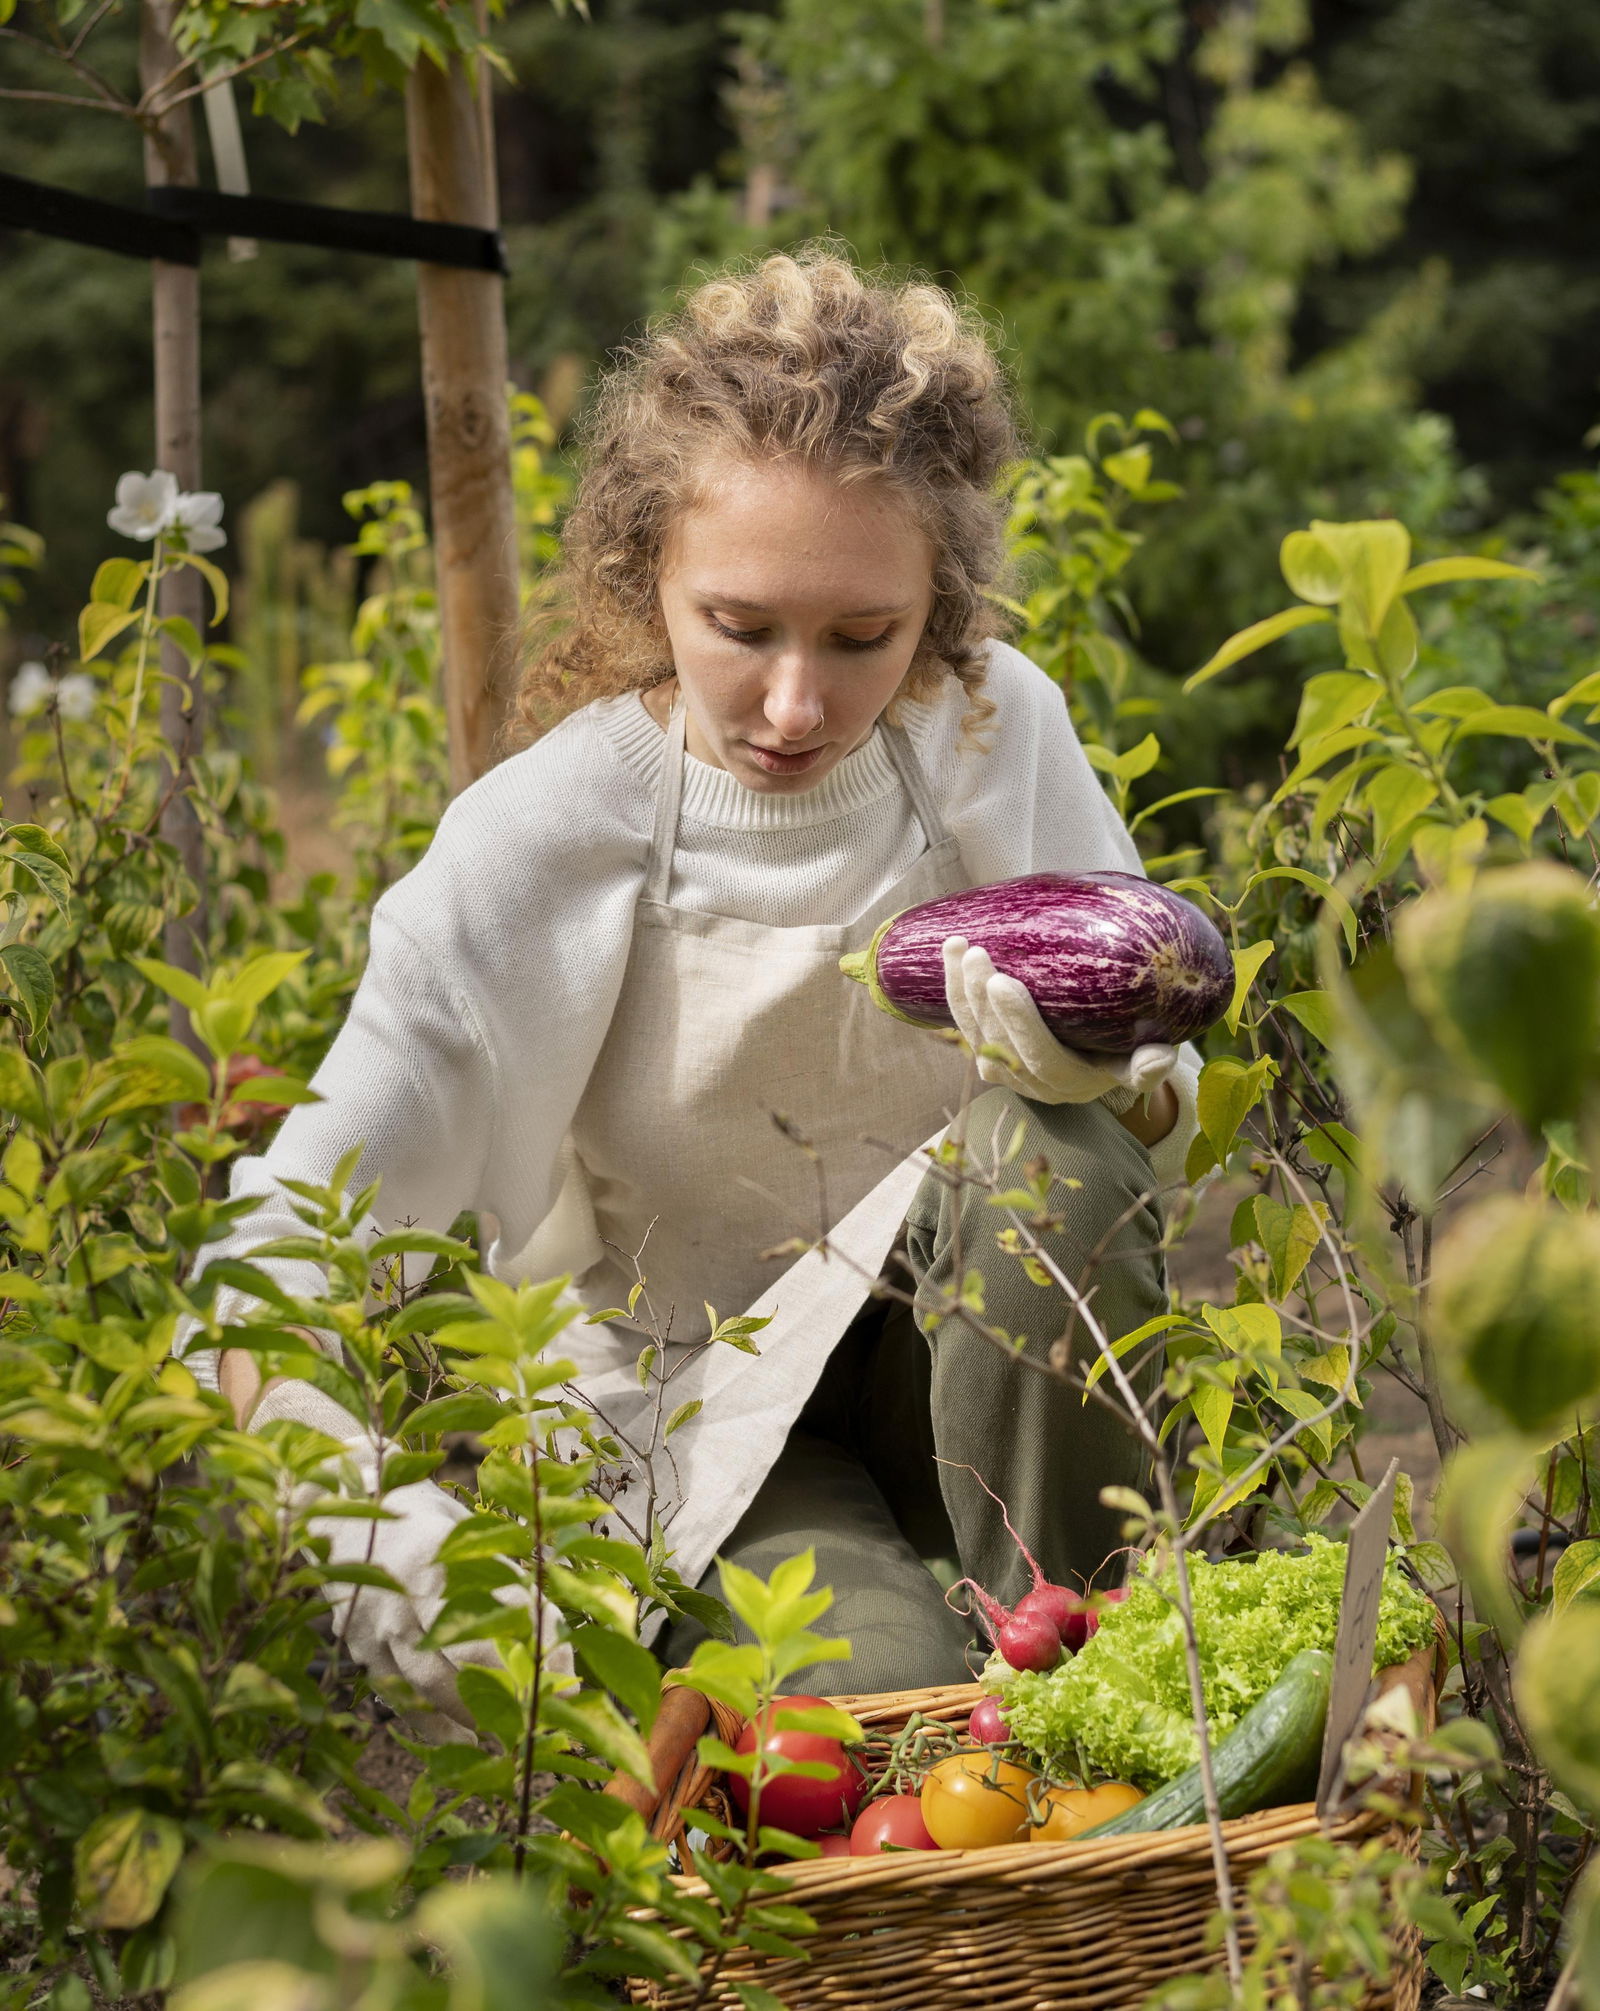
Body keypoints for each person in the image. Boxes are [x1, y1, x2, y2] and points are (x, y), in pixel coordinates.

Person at [187, 251, 1200, 1720]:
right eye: (740, 628)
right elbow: (266, 1280)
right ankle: (950, 1679)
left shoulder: (990, 734)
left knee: (1049, 1156)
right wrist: (400, 1561)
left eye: (864, 638)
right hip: (701, 1413)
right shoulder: (540, 844)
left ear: (942, 605)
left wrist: (1107, 1077)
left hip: (973, 1365)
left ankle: (1102, 1693)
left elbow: (1158, 1104)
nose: (798, 708)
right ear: (643, 569)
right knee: (865, 1722)